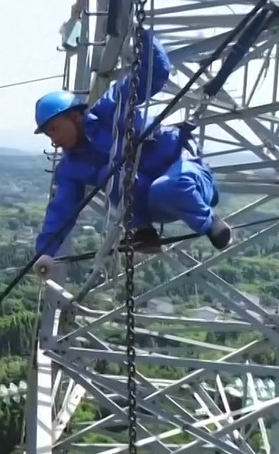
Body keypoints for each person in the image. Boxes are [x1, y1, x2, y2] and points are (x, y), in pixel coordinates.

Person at [31, 28, 232, 278]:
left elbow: (155, 73)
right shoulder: (72, 167)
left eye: (54, 129)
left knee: (167, 186)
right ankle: (144, 231)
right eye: (50, 134)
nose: (55, 140)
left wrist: (142, 33)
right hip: (153, 201)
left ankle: (211, 223)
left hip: (185, 176)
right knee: (112, 173)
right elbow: (61, 210)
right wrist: (45, 251)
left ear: (74, 116)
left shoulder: (111, 108)